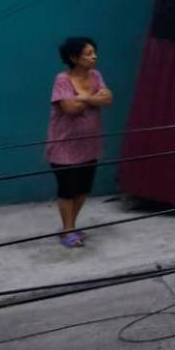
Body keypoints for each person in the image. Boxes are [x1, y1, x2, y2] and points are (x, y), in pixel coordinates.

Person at [45, 37, 113, 248]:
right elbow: (70, 109)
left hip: (89, 145)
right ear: (74, 58)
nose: (94, 56)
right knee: (67, 188)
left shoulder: (96, 75)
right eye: (88, 53)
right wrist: (93, 98)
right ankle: (68, 231)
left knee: (83, 189)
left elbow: (108, 99)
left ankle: (70, 227)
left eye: (94, 52)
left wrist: (82, 97)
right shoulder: (62, 80)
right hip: (64, 145)